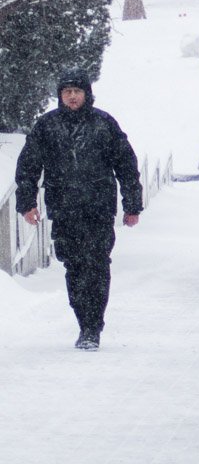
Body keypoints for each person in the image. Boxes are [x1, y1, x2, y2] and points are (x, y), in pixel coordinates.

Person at [15, 70, 142, 351]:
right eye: (67, 91)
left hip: (99, 209)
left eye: (77, 91)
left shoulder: (104, 124)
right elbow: (28, 167)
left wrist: (132, 205)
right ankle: (83, 321)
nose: (72, 96)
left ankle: (92, 326)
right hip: (63, 210)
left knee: (97, 265)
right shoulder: (47, 126)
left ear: (87, 94)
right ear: (60, 95)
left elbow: (126, 165)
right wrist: (27, 203)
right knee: (74, 266)